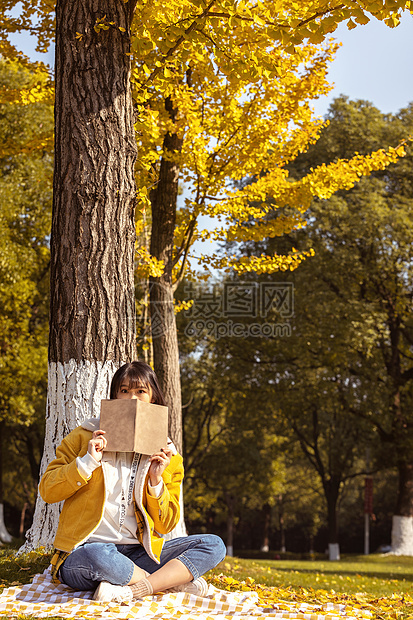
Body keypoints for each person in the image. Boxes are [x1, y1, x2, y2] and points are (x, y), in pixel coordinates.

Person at [39, 361, 226, 604]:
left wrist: (156, 480)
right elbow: (47, 490)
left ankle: (132, 587)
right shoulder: (84, 437)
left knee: (213, 545)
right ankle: (167, 584)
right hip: (86, 551)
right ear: (114, 396)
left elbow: (166, 524)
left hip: (139, 554)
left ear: (153, 398)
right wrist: (87, 461)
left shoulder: (168, 454)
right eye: (124, 391)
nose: (131, 399)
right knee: (99, 555)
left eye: (140, 391)